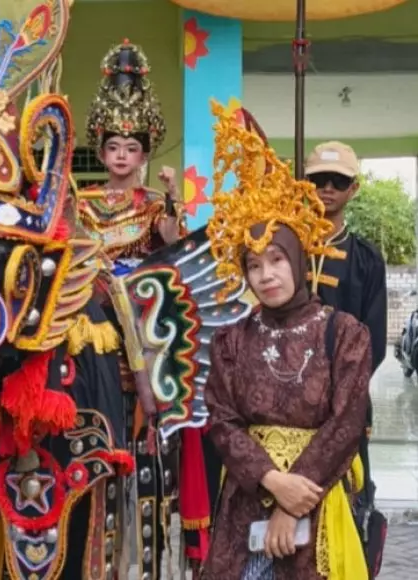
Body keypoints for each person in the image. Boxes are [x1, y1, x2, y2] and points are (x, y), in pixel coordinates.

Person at [201, 102, 371, 580]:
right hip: (244, 508)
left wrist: (292, 502)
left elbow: (347, 423)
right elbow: (222, 420)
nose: (266, 275)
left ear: (297, 259)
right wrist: (272, 482)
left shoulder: (344, 334)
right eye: (253, 265)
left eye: (277, 259)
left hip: (318, 502)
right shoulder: (232, 340)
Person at [79, 38, 200, 579]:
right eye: (113, 146)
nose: (122, 155)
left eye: (131, 146)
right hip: (93, 341)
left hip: (146, 344)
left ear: (145, 153)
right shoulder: (81, 202)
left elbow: (174, 250)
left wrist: (172, 201)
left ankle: (150, 567)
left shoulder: (154, 205)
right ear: (101, 151)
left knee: (150, 469)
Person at [305, 141, 387, 514]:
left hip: (346, 401)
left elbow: (375, 342)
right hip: (287, 401)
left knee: (349, 506)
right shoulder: (286, 248)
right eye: (319, 179)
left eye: (338, 181)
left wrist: (336, 390)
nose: (327, 188)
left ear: (353, 188)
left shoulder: (367, 259)